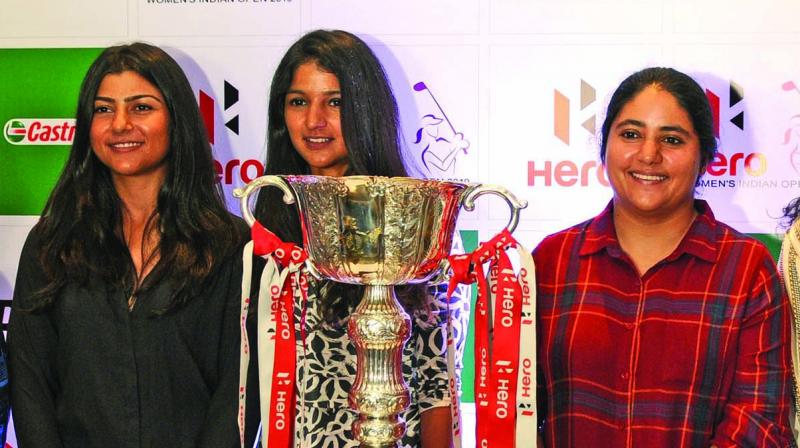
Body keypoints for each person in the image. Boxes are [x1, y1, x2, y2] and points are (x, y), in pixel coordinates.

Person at [534, 67, 794, 447]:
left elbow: (760, 423)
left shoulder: (747, 269)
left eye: (671, 139)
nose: (649, 155)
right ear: (604, 147)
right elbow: (517, 412)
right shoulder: (551, 262)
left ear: (706, 158)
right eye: (631, 134)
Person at [8, 43, 246, 447]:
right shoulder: (51, 242)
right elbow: (29, 383)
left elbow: (236, 391)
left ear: (178, 119)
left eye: (141, 108)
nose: (119, 124)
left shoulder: (231, 245)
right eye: (103, 109)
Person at [250, 29, 466, 448]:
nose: (314, 121)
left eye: (335, 102)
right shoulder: (269, 225)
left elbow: (439, 385)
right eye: (298, 102)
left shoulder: (417, 220)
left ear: (367, 110)